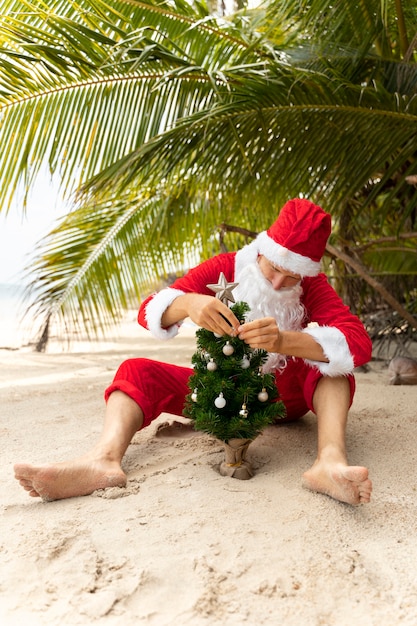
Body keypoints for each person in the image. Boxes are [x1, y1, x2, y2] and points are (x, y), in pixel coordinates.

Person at [14, 198, 373, 505]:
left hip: (284, 397)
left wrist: (284, 342)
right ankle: (103, 460)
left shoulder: (313, 286)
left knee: (336, 368)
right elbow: (149, 311)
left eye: (292, 277)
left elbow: (356, 343)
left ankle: (330, 461)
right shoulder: (225, 268)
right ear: (262, 250)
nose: (278, 283)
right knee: (135, 370)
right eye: (273, 268)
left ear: (305, 273)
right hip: (217, 392)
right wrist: (188, 304)